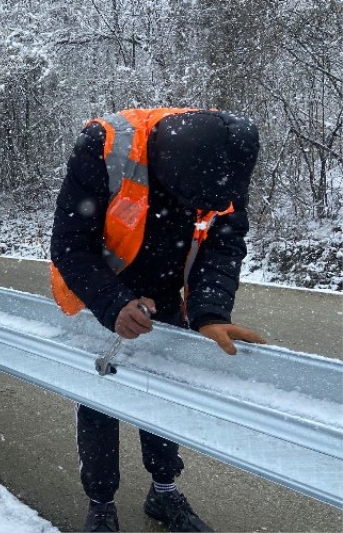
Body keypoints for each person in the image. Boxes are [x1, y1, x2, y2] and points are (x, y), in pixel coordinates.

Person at [49, 108, 267, 532]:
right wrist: (114, 305)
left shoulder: (224, 160)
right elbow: (70, 243)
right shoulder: (104, 146)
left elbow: (224, 241)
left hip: (164, 292)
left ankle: (163, 494)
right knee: (100, 399)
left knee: (161, 394)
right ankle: (100, 504)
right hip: (102, 290)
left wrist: (209, 312)